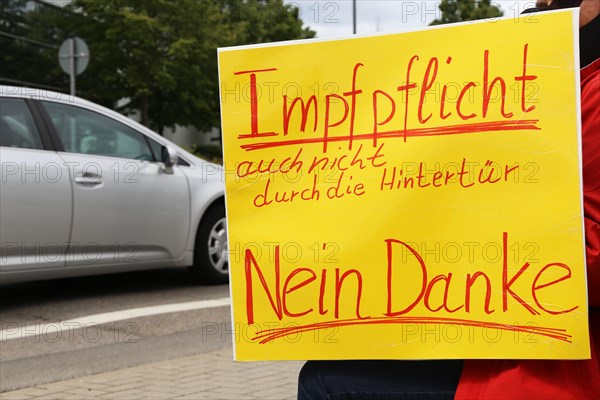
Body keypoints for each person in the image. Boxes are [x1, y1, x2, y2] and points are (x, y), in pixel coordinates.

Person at [297, 1, 600, 398]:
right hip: (494, 328)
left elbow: (589, 258)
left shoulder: (576, 80)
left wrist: (471, 216)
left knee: (327, 384)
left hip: (556, 361)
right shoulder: (532, 61)